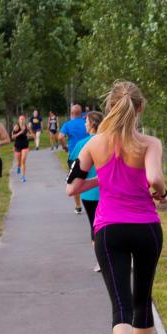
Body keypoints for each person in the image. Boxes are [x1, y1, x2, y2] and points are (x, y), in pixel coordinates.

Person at [66, 81, 167, 334]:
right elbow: (154, 180)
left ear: (109, 108)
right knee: (143, 299)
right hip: (146, 229)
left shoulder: (94, 144)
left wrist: (100, 179)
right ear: (140, 109)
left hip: (109, 230)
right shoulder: (149, 143)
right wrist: (160, 190)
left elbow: (72, 188)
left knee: (120, 304)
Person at [71, 111, 104, 272]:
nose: (85, 124)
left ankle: (101, 261)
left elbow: (73, 168)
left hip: (89, 193)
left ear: (92, 124)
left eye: (86, 121)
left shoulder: (81, 144)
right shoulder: (110, 142)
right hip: (109, 191)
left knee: (95, 226)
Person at [59, 104, 89, 214]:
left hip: (74, 156)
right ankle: (92, 203)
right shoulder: (86, 123)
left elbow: (61, 137)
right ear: (81, 113)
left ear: (71, 114)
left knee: (75, 180)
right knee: (91, 178)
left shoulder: (67, 124)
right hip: (89, 155)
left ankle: (78, 206)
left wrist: (64, 147)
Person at [11, 114, 33, 182]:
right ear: (19, 120)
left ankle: (23, 177)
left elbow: (32, 135)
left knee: (23, 160)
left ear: (25, 120)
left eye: (23, 119)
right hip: (17, 145)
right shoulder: (16, 127)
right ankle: (18, 167)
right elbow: (13, 137)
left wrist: (28, 135)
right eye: (21, 119)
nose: (22, 120)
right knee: (19, 161)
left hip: (25, 145)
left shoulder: (27, 127)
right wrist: (20, 132)